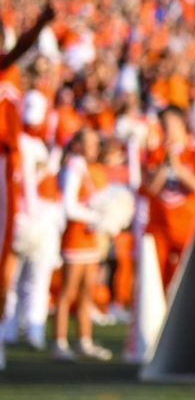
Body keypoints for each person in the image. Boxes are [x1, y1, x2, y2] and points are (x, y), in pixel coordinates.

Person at [0, 0, 56, 370]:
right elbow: (18, 49)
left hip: (9, 166)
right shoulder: (9, 66)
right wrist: (39, 26)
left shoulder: (13, 77)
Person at [53, 127, 113, 361]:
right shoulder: (74, 167)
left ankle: (84, 339)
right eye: (89, 143)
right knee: (68, 291)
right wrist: (96, 218)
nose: (94, 147)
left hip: (90, 238)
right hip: (76, 237)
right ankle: (59, 341)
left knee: (88, 290)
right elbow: (69, 206)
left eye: (96, 143)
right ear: (77, 145)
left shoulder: (94, 168)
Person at [142, 105, 195, 290]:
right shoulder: (154, 155)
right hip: (159, 227)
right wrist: (165, 164)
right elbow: (150, 188)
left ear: (182, 125)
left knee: (186, 283)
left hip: (186, 227)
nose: (167, 130)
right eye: (163, 125)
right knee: (155, 282)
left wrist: (178, 168)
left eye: (170, 125)